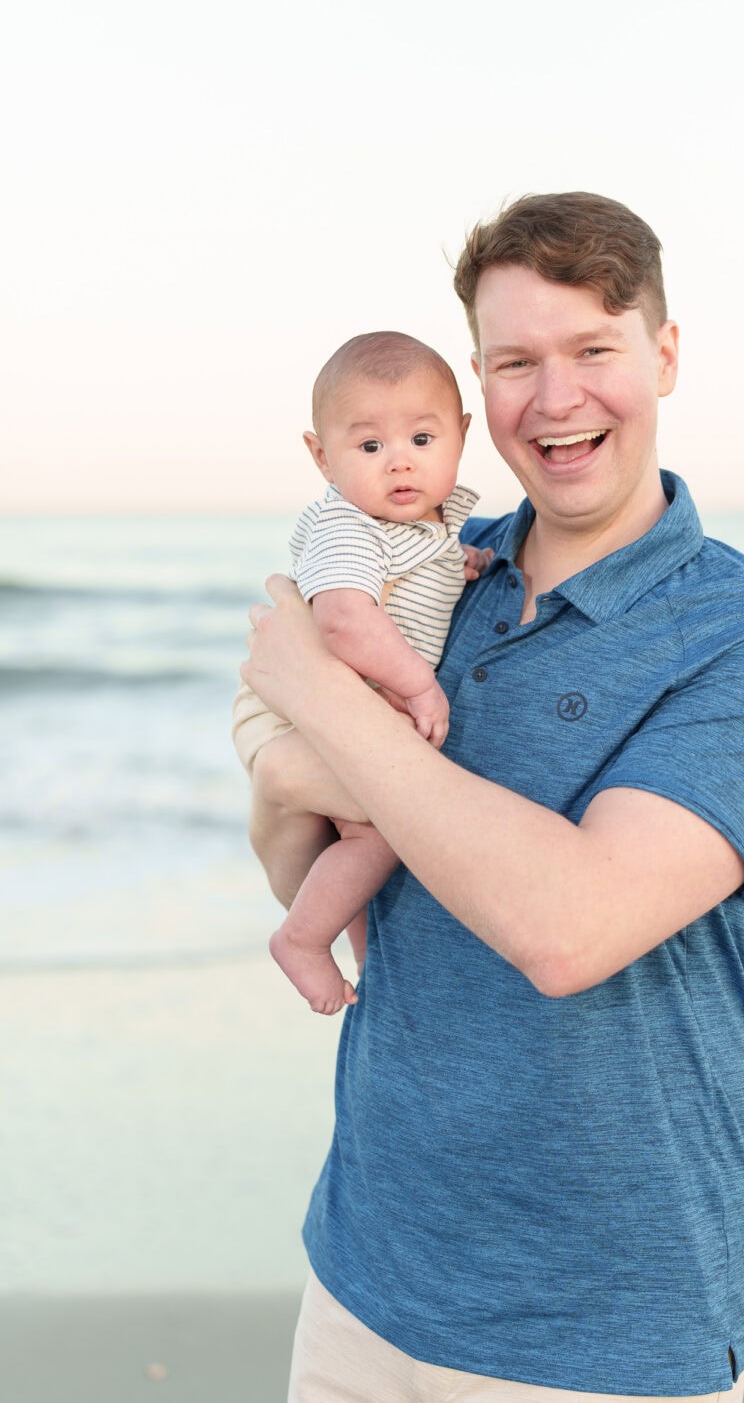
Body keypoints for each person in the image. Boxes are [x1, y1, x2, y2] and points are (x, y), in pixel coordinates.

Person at [241, 193, 744, 1400]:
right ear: (477, 385)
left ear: (663, 355)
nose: (555, 399)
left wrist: (315, 689)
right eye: (517, 362)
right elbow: (300, 856)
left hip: (602, 1323)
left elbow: (567, 930)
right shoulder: (432, 575)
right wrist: (288, 768)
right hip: (367, 1269)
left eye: (592, 351)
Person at [233, 330, 489, 1013]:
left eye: (422, 441)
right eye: (370, 446)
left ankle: (367, 956)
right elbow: (344, 620)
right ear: (322, 456)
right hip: (304, 710)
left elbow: (410, 581)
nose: (398, 465)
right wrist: (416, 684)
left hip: (337, 705)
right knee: (376, 831)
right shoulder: (347, 524)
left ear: (462, 434)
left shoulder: (427, 529)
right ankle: (304, 939)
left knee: (360, 834)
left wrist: (456, 567)